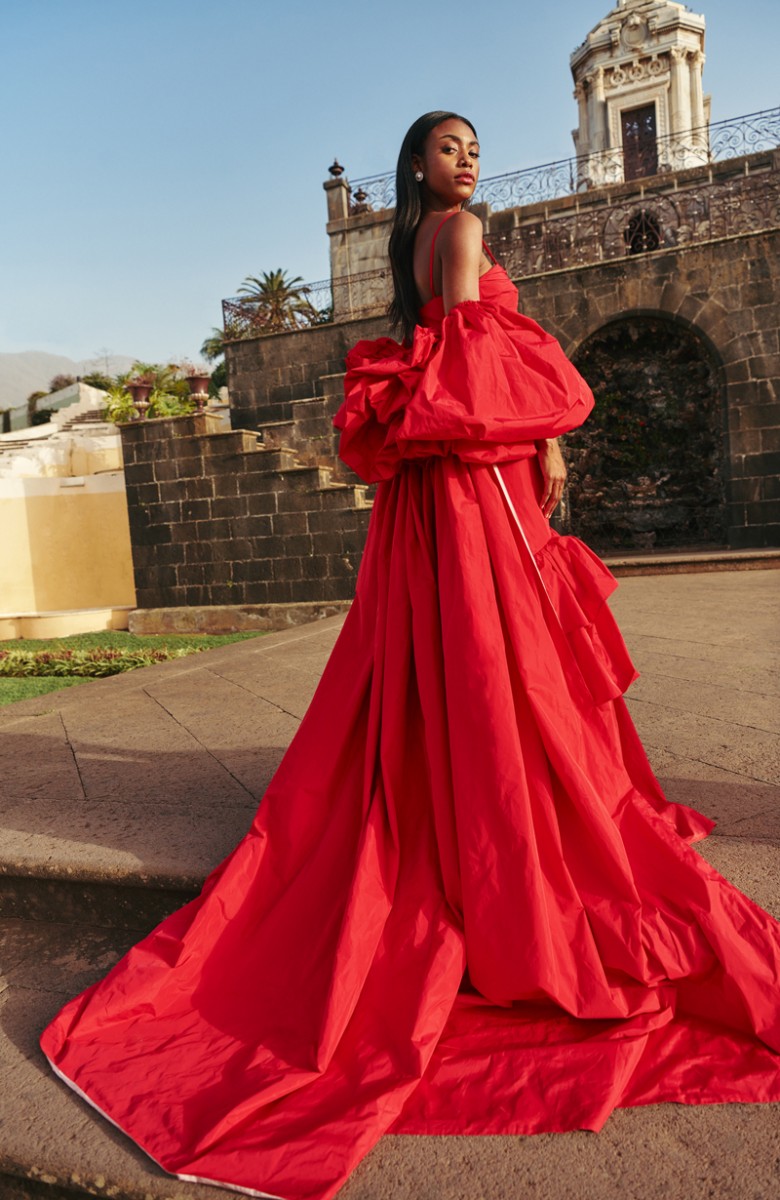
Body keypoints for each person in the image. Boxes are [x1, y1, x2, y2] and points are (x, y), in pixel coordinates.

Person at [41, 111, 780, 1200]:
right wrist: (551, 450)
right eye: (449, 148)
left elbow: (447, 358)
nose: (468, 161)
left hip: (433, 490)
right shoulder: (464, 233)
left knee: (453, 646)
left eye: (473, 146)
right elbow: (481, 366)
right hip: (473, 477)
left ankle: (465, 784)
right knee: (506, 649)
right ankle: (514, 803)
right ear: (419, 168)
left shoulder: (411, 248)